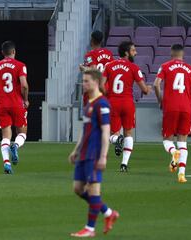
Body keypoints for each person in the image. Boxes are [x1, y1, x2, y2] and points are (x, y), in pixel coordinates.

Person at [69, 69, 119, 238]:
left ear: (96, 82)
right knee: (77, 188)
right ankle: (108, 213)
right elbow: (84, 131)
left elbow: (106, 132)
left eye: (87, 81)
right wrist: (75, 150)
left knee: (93, 190)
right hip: (84, 153)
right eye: (83, 81)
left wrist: (104, 156)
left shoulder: (102, 104)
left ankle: (89, 229)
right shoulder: (89, 103)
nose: (84, 84)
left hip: (95, 153)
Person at [154, 44, 191, 183]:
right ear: (182, 54)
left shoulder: (166, 66)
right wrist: (190, 101)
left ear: (171, 53)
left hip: (171, 107)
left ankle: (173, 153)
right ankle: (182, 175)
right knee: (183, 142)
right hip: (186, 108)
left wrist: (160, 100)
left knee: (168, 140)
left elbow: (156, 84)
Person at [102, 41, 152, 172]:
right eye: (133, 50)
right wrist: (148, 89)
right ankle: (124, 164)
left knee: (113, 134)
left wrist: (108, 93)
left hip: (113, 102)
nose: (135, 52)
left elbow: (101, 86)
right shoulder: (134, 67)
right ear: (126, 53)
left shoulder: (109, 65)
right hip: (128, 103)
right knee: (129, 133)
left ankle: (117, 139)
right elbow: (144, 89)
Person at [0, 41, 29, 174]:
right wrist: (26, 100)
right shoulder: (20, 65)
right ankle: (15, 146)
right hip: (17, 104)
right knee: (22, 133)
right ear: (14, 52)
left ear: (2, 53)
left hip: (3, 105)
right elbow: (24, 85)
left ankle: (6, 163)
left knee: (5, 136)